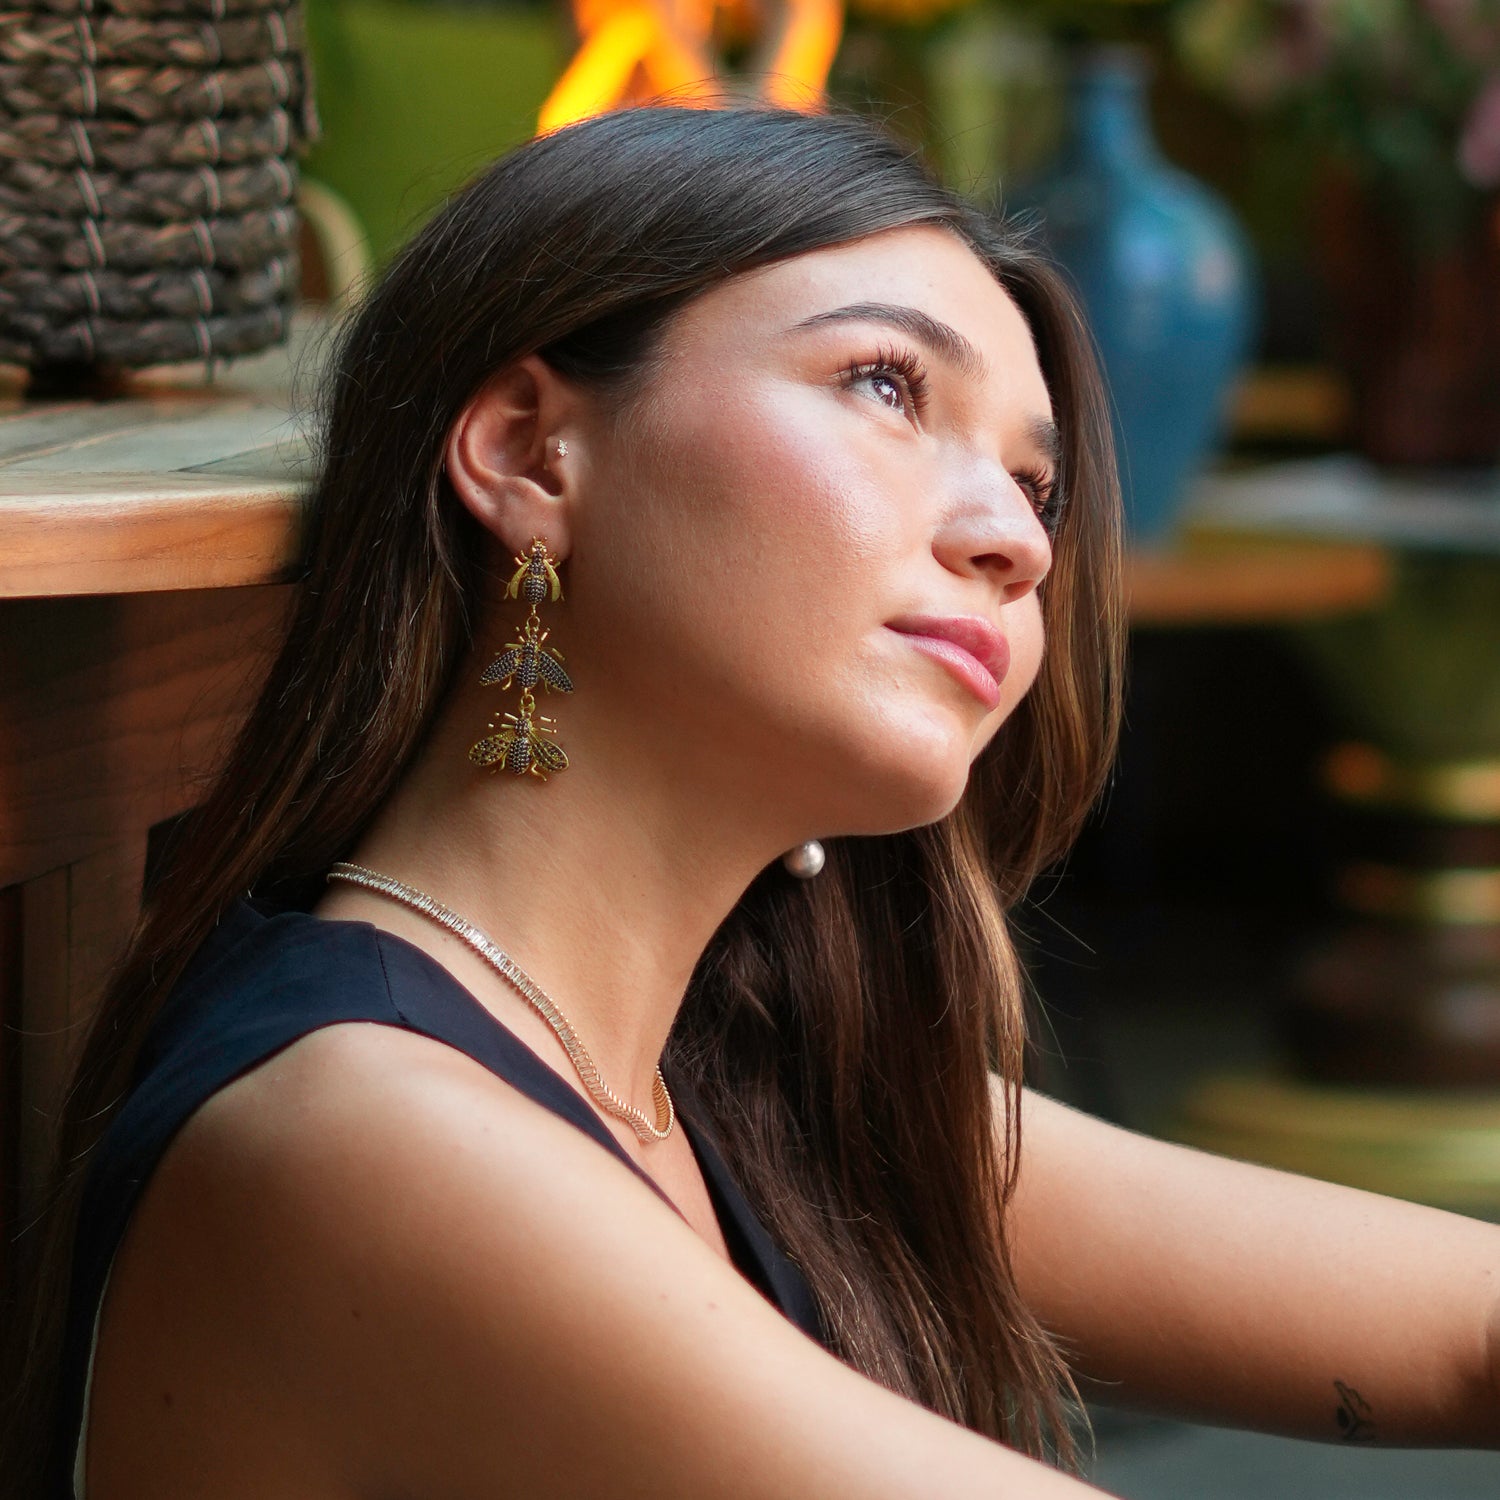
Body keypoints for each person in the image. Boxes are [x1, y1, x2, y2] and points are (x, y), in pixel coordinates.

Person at [3, 104, 1498, 1500]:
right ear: (531, 450)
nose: (1013, 543)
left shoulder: (746, 1087)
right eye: (885, 385)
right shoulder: (364, 1139)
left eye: (1038, 489)